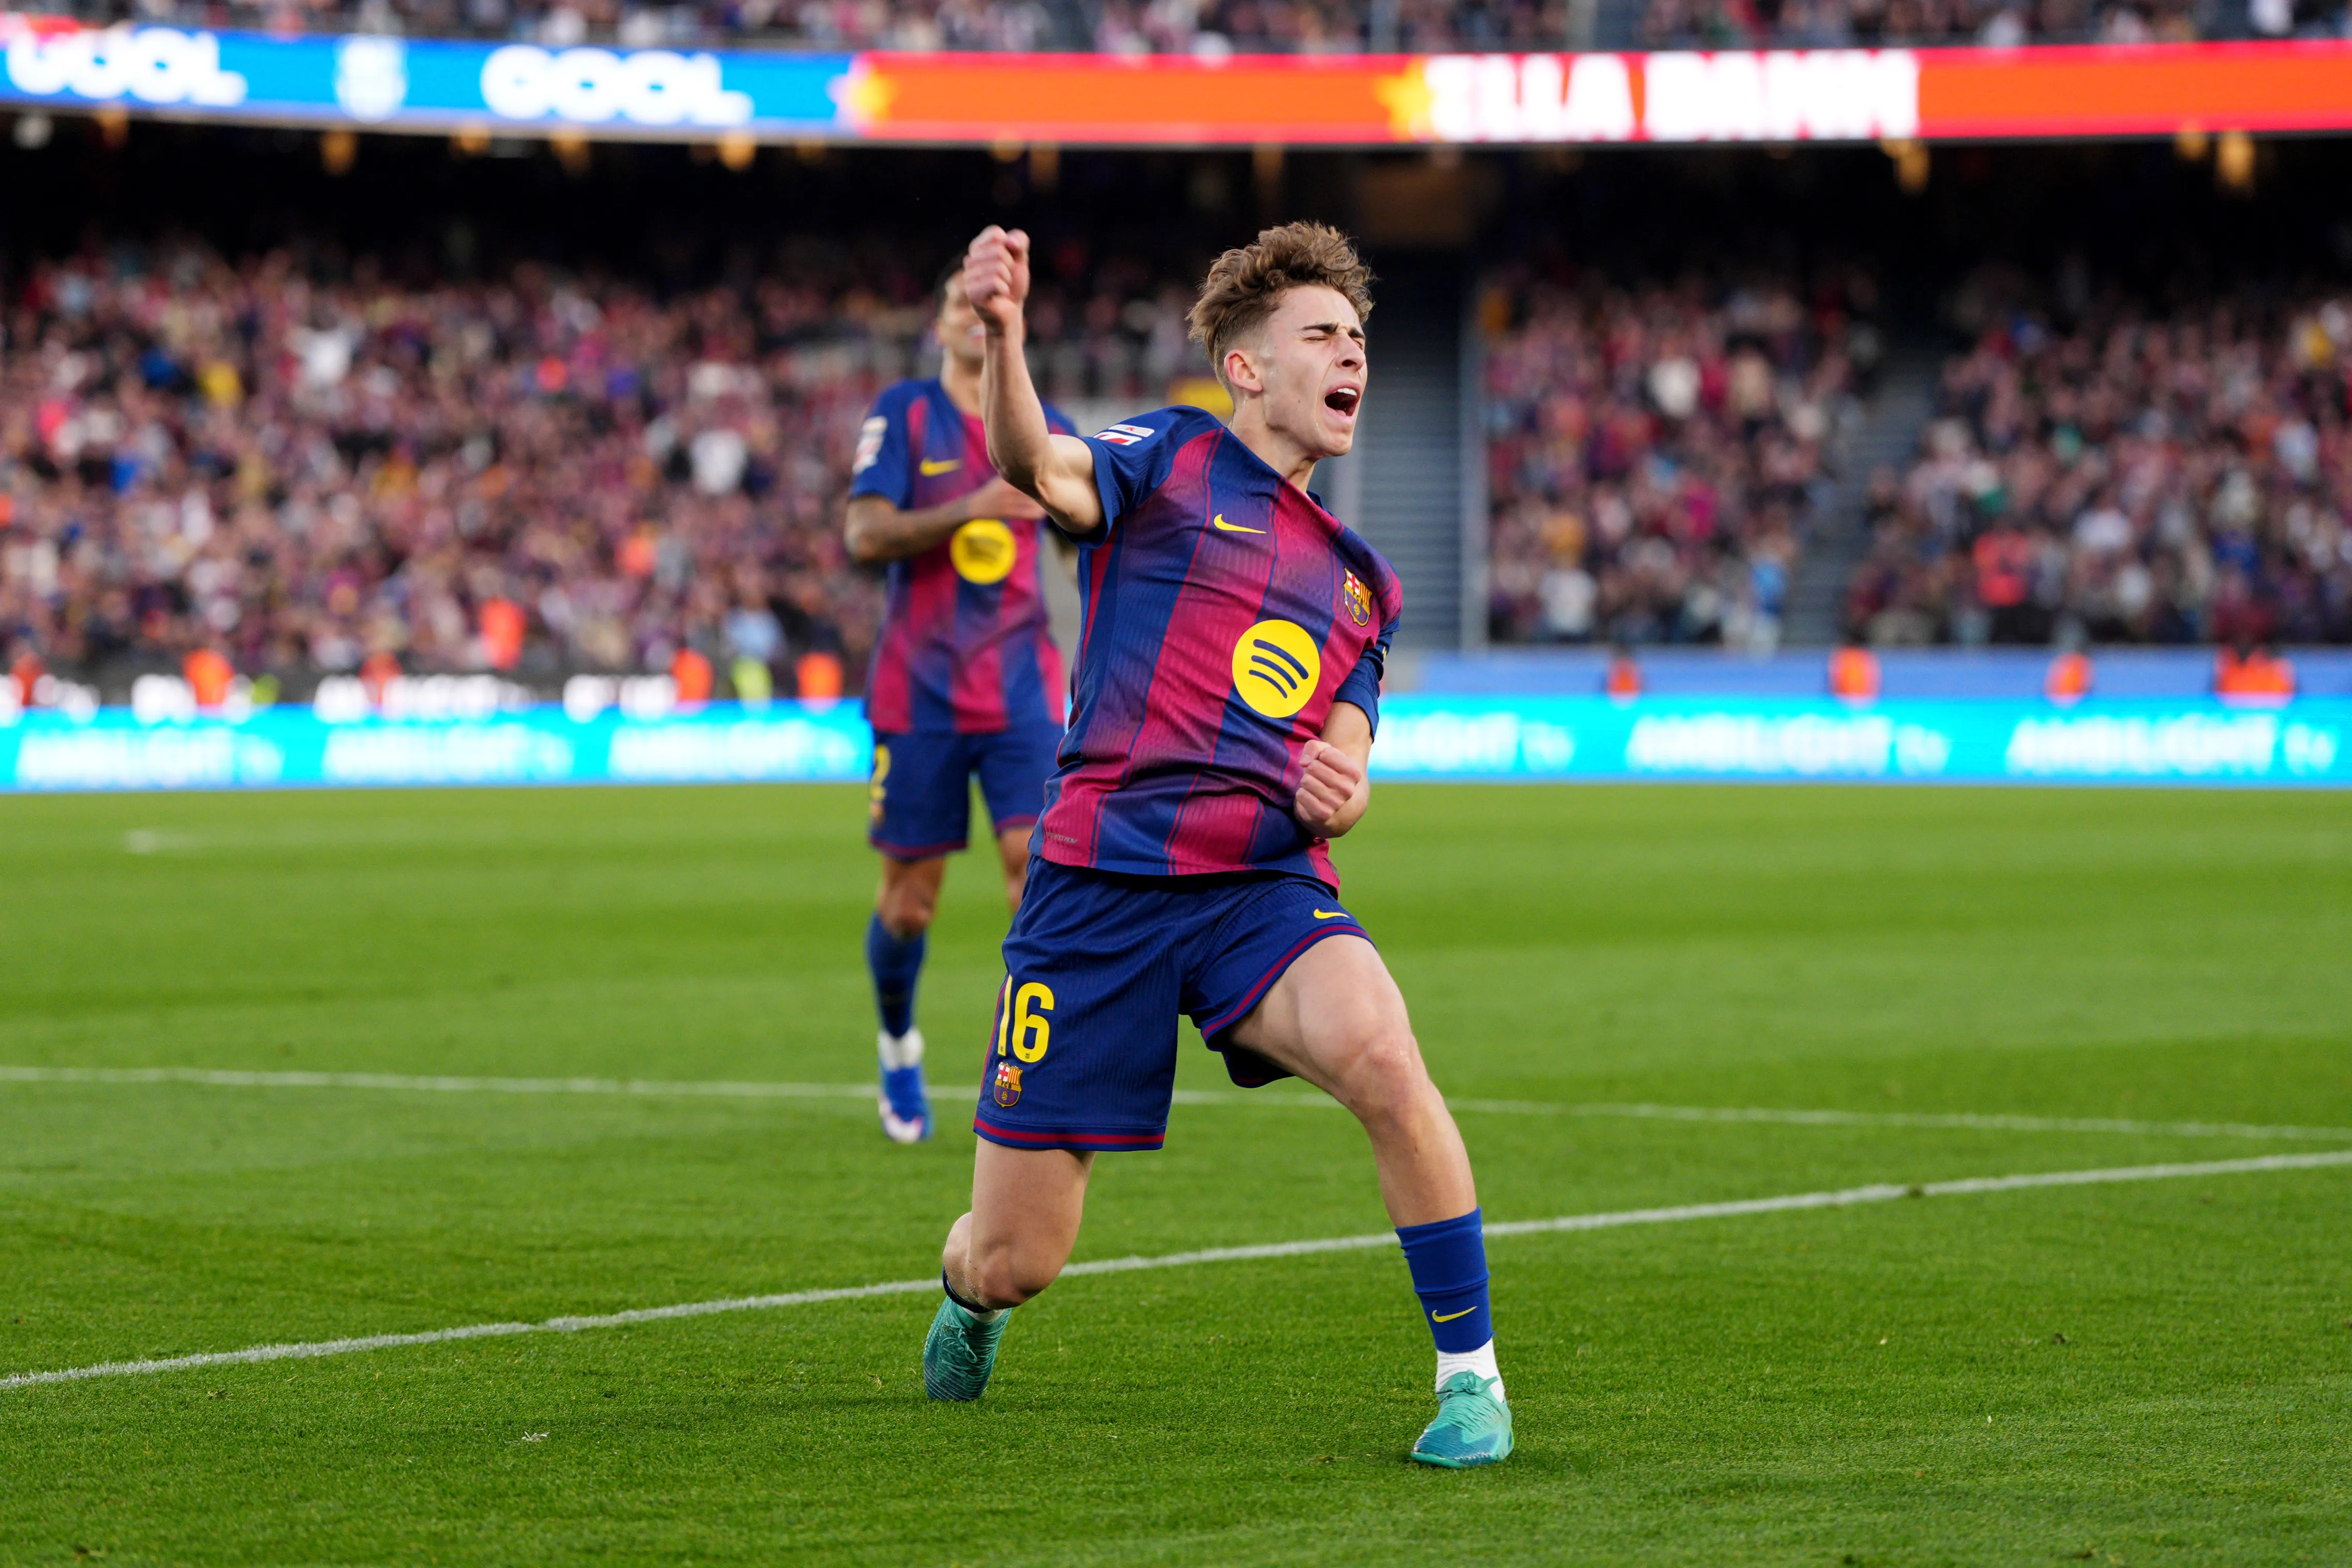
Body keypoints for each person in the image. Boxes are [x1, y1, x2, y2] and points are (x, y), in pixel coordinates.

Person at [919, 221, 1513, 1468]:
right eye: (1320, 334)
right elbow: (1036, 463)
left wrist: (1345, 785)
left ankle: (1472, 1381)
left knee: (1380, 1051)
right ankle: (966, 1293)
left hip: (1254, 885)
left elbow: (1349, 730)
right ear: (1247, 368)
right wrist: (1004, 336)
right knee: (1019, 1254)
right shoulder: (1172, 457)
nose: (1350, 352)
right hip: (1098, 885)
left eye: (1357, 336)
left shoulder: (1363, 581)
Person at [844, 263, 1077, 1144]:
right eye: (958, 306)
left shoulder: (1045, 427)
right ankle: (900, 1043)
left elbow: (1077, 548)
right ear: (942, 325)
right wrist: (973, 506)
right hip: (921, 691)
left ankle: (1028, 1067)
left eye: (989, 310)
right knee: (910, 903)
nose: (974, 320)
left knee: (1035, 871)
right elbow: (864, 534)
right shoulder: (903, 415)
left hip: (1021, 691)